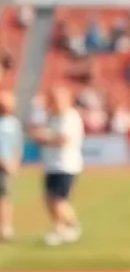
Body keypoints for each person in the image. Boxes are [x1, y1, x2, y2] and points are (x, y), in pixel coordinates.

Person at [33, 86, 84, 246]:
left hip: (65, 165)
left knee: (59, 200)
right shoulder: (53, 117)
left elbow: (64, 139)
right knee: (49, 199)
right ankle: (59, 228)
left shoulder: (71, 117)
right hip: (52, 164)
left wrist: (45, 138)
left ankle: (72, 225)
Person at [0, 91, 23, 241]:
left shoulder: (14, 123)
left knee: (5, 197)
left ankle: (5, 227)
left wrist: (14, 162)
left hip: (7, 166)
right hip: (3, 163)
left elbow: (17, 144)